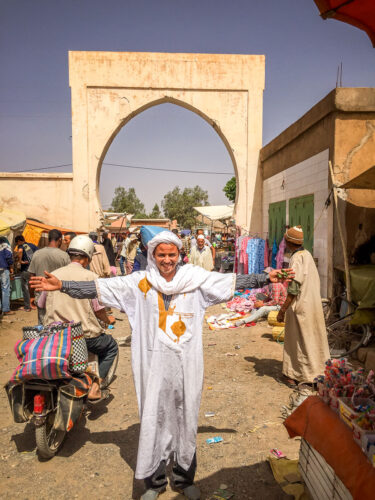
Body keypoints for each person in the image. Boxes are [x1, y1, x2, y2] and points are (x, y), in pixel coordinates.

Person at [30, 230, 292, 500]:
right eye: (161, 254)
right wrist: (62, 286)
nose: (167, 260)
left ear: (180, 255)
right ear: (153, 256)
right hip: (152, 364)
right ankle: (155, 484)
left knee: (186, 417)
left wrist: (264, 277)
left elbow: (231, 281)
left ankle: (183, 478)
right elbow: (99, 288)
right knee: (153, 418)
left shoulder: (195, 279)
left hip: (187, 363)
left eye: (172, 254)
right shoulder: (140, 283)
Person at [41, 235, 118, 401]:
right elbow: (98, 311)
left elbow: (41, 304)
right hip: (84, 337)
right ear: (86, 258)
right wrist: (108, 320)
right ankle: (95, 387)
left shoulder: (53, 275)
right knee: (111, 347)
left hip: (54, 336)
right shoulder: (91, 278)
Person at [277, 226, 330, 387]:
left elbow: (293, 289)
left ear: (287, 242)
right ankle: (317, 373)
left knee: (297, 343)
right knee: (312, 341)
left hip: (300, 307)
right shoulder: (307, 255)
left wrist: (282, 310)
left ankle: (294, 375)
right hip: (312, 305)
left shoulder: (296, 258)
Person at [28, 229, 70, 324]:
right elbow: (69, 277)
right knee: (58, 326)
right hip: (59, 296)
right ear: (60, 240)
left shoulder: (37, 254)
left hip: (40, 295)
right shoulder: (64, 256)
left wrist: (31, 296)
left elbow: (31, 278)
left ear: (48, 239)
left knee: (43, 325)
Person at [14, 235, 38, 312]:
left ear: (18, 241)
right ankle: (34, 304)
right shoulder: (32, 245)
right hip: (34, 270)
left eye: (16, 243)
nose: (17, 245)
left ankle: (27, 307)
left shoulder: (21, 246)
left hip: (26, 270)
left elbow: (20, 251)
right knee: (34, 287)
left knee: (25, 288)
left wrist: (20, 261)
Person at [0, 236, 14, 316]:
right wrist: (11, 266)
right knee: (5, 289)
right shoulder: (4, 242)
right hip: (3, 268)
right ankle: (5, 309)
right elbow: (8, 256)